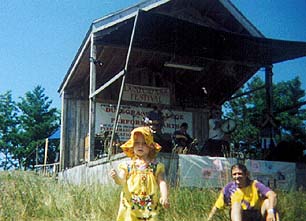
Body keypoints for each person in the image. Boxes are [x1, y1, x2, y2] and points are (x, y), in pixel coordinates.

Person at [110, 126, 170, 221]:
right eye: (137, 143)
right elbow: (122, 180)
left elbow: (162, 182)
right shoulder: (127, 165)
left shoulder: (155, 166)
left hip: (150, 206)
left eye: (144, 143)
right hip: (131, 206)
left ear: (150, 147)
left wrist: (164, 196)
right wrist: (116, 178)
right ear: (132, 146)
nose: (140, 146)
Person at [207, 163, 279, 221]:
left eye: (239, 173)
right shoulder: (229, 188)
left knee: (268, 202)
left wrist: (270, 212)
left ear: (246, 174)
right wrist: (208, 219)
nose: (237, 176)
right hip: (240, 215)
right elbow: (216, 207)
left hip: (257, 214)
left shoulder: (255, 184)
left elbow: (272, 195)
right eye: (234, 174)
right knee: (236, 205)